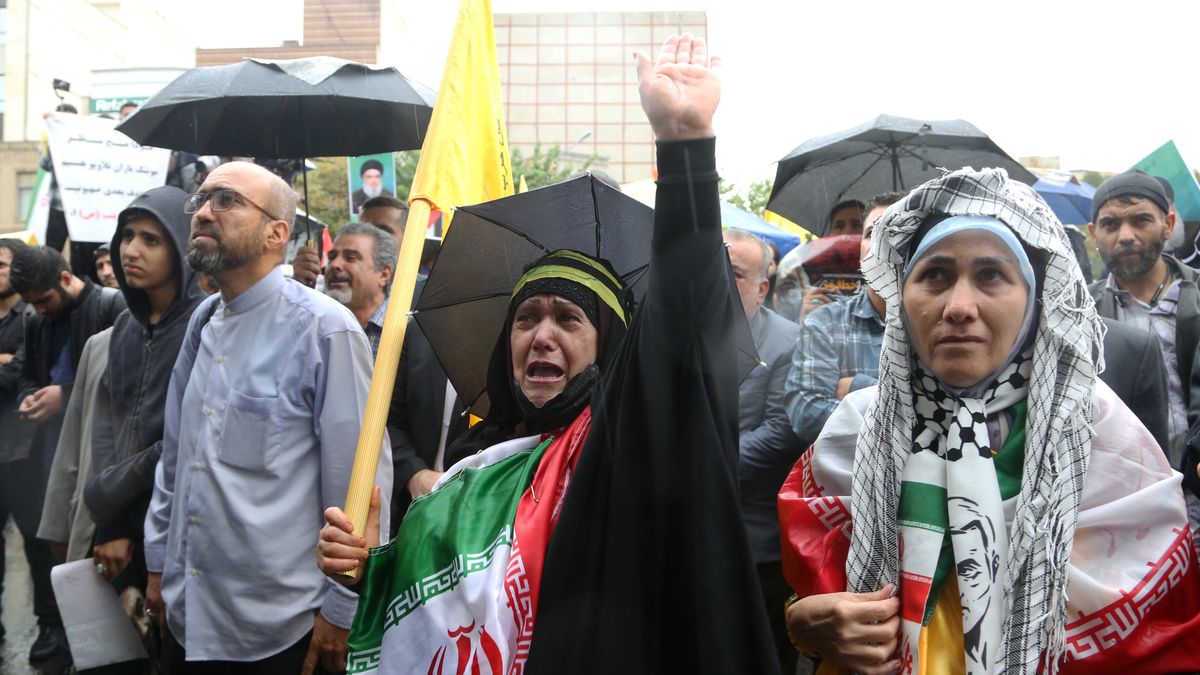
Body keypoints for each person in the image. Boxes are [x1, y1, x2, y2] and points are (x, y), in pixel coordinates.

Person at [317, 34, 780, 675]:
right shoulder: (472, 470)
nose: (541, 335)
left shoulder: (627, 449)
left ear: (613, 349)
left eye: (569, 319)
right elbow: (435, 619)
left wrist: (684, 150)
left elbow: (680, 336)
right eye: (527, 318)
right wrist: (371, 567)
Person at [780, 168, 1200, 674]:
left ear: (1034, 301)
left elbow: (1158, 628)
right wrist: (803, 622)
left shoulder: (1098, 431)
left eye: (991, 276)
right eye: (934, 275)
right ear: (901, 297)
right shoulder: (858, 429)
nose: (959, 307)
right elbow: (812, 598)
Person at [142, 161, 392, 673]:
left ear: (277, 232)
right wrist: (158, 563)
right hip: (186, 612)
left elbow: (358, 486)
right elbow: (176, 458)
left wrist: (342, 610)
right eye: (201, 199)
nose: (204, 212)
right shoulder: (202, 322)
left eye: (227, 200)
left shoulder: (325, 330)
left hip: (280, 633)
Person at [81, 186, 205, 662]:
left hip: (172, 530)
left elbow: (176, 445)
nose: (131, 250)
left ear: (180, 248)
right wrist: (109, 522)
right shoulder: (125, 327)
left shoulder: (204, 325)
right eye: (127, 236)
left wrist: (106, 498)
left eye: (152, 240)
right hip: (116, 531)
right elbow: (106, 427)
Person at [10, 243, 125, 667]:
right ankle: (57, 628)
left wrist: (66, 394)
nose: (39, 311)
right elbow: (27, 374)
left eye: (43, 301)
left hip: (96, 459)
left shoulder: (110, 308)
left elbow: (119, 379)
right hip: (48, 457)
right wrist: (29, 396)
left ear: (64, 279)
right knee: (49, 546)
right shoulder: (38, 322)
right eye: (31, 305)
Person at [723, 228, 802, 673]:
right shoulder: (683, 337)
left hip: (758, 537)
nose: (721, 283)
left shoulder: (788, 341)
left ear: (762, 288)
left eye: (734, 274)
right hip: (692, 530)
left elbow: (780, 432)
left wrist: (703, 464)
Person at [784, 193, 898, 447]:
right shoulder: (825, 323)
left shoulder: (939, 323)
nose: (881, 241)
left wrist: (859, 387)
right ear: (859, 248)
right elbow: (805, 414)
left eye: (894, 230)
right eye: (871, 232)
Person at [0, 238, 35, 648]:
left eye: (3, 263)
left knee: (37, 545)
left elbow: (17, 378)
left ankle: (49, 630)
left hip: (23, 451)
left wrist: (10, 364)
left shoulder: (32, 316)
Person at [323, 222, 396, 350]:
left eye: (350, 258)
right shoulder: (317, 324)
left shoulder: (406, 332)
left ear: (384, 274)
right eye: (331, 257)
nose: (334, 265)